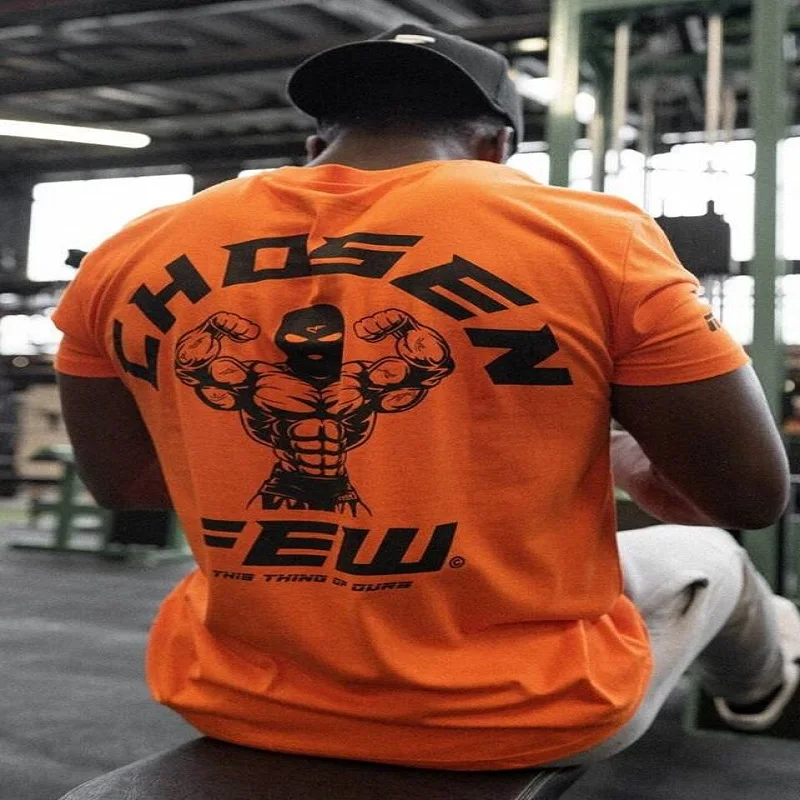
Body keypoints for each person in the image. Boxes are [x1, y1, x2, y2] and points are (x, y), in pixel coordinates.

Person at [52, 24, 800, 771]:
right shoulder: (591, 235)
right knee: (715, 556)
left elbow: (130, 488)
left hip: (239, 700)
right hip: (520, 713)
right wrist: (622, 454)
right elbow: (749, 497)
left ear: (316, 145)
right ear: (496, 148)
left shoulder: (129, 252)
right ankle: (764, 689)